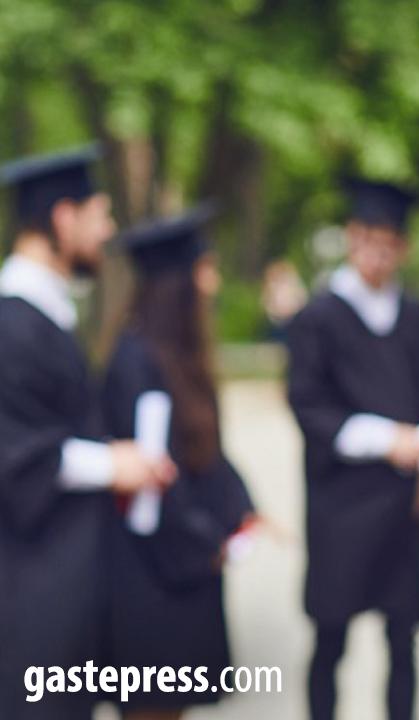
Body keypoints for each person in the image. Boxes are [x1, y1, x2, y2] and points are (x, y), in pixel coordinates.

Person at [0, 146, 175, 719]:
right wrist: (110, 465)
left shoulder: (44, 313)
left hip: (61, 586)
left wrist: (113, 455)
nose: (109, 231)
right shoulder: (11, 321)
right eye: (100, 215)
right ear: (62, 218)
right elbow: (12, 450)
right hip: (28, 592)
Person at [286, 177, 419, 720]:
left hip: (403, 505)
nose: (377, 251)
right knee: (330, 636)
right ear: (351, 238)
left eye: (389, 241)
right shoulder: (319, 318)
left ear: (402, 247)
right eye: (367, 238)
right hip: (342, 501)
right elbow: (309, 407)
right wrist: (389, 440)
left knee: (402, 638)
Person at [101, 206, 256, 718]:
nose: (211, 285)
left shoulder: (182, 358)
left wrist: (242, 510)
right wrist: (206, 542)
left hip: (188, 566)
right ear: (177, 285)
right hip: (151, 575)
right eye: (203, 271)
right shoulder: (135, 360)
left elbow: (203, 452)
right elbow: (155, 471)